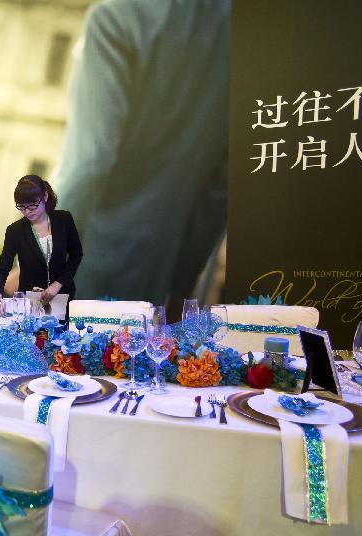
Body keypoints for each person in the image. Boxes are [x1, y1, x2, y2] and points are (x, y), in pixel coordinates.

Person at [51, 0, 230, 306]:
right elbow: (219, 190)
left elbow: (89, 161)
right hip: (160, 279)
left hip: (86, 268)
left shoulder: (115, 19)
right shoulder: (242, 38)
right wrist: (181, 284)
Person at [0, 175, 83, 311]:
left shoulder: (64, 220)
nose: (27, 212)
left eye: (33, 206)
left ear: (45, 197)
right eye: (22, 207)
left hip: (62, 297)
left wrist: (57, 285)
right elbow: (2, 269)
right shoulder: (15, 230)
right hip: (29, 302)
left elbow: (76, 255)